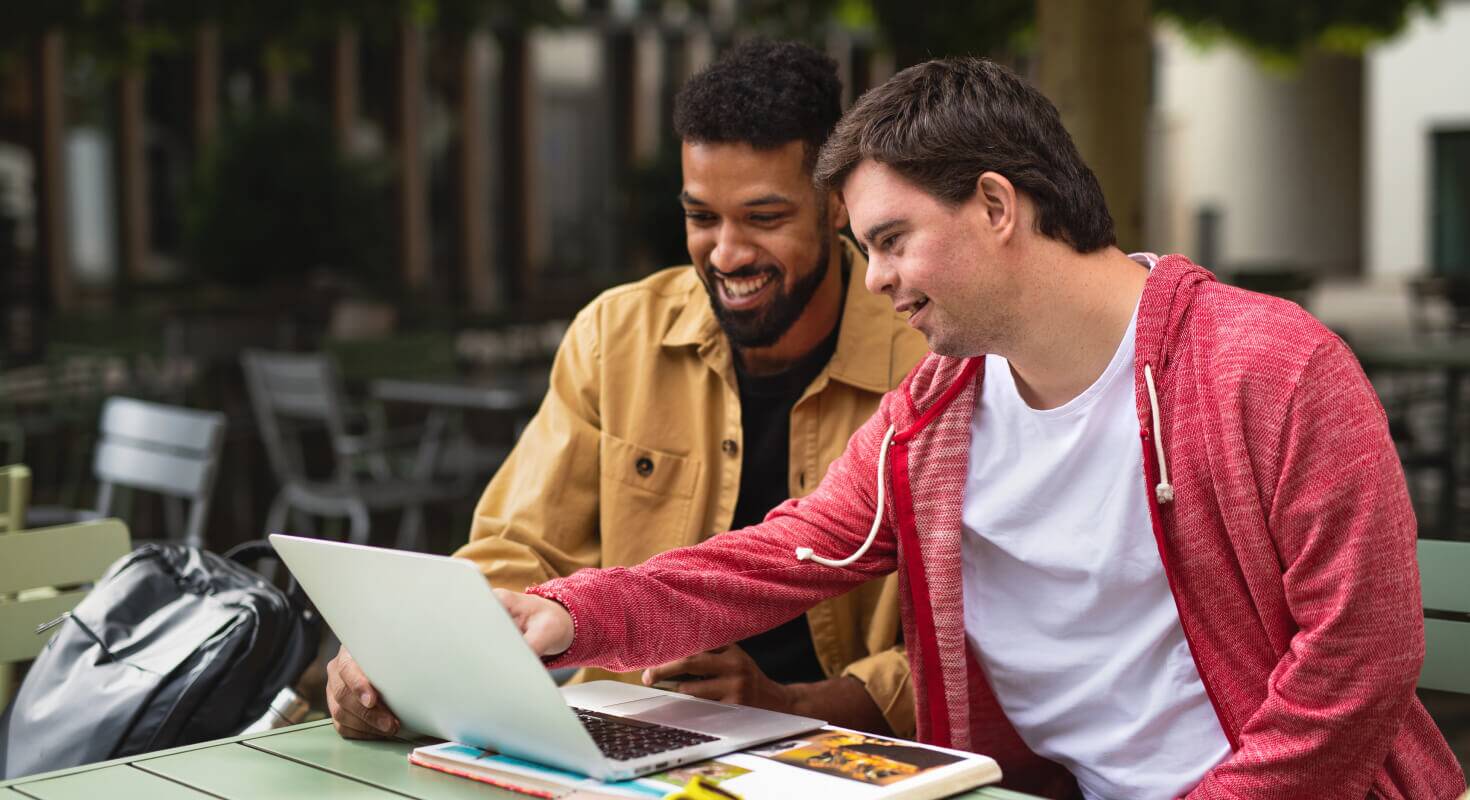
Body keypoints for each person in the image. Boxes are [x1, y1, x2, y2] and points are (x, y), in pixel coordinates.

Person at [496, 58, 1466, 798]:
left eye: (890, 239)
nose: (872, 278)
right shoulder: (938, 410)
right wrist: (573, 611)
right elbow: (779, 551)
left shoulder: (1270, 367)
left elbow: (1360, 659)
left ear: (998, 204)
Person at [325, 41, 927, 742]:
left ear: (836, 206)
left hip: (841, 761)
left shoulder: (927, 360)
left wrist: (789, 706)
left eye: (764, 219)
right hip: (608, 744)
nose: (727, 253)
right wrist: (408, 656)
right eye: (702, 218)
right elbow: (517, 548)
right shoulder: (617, 335)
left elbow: (966, 645)